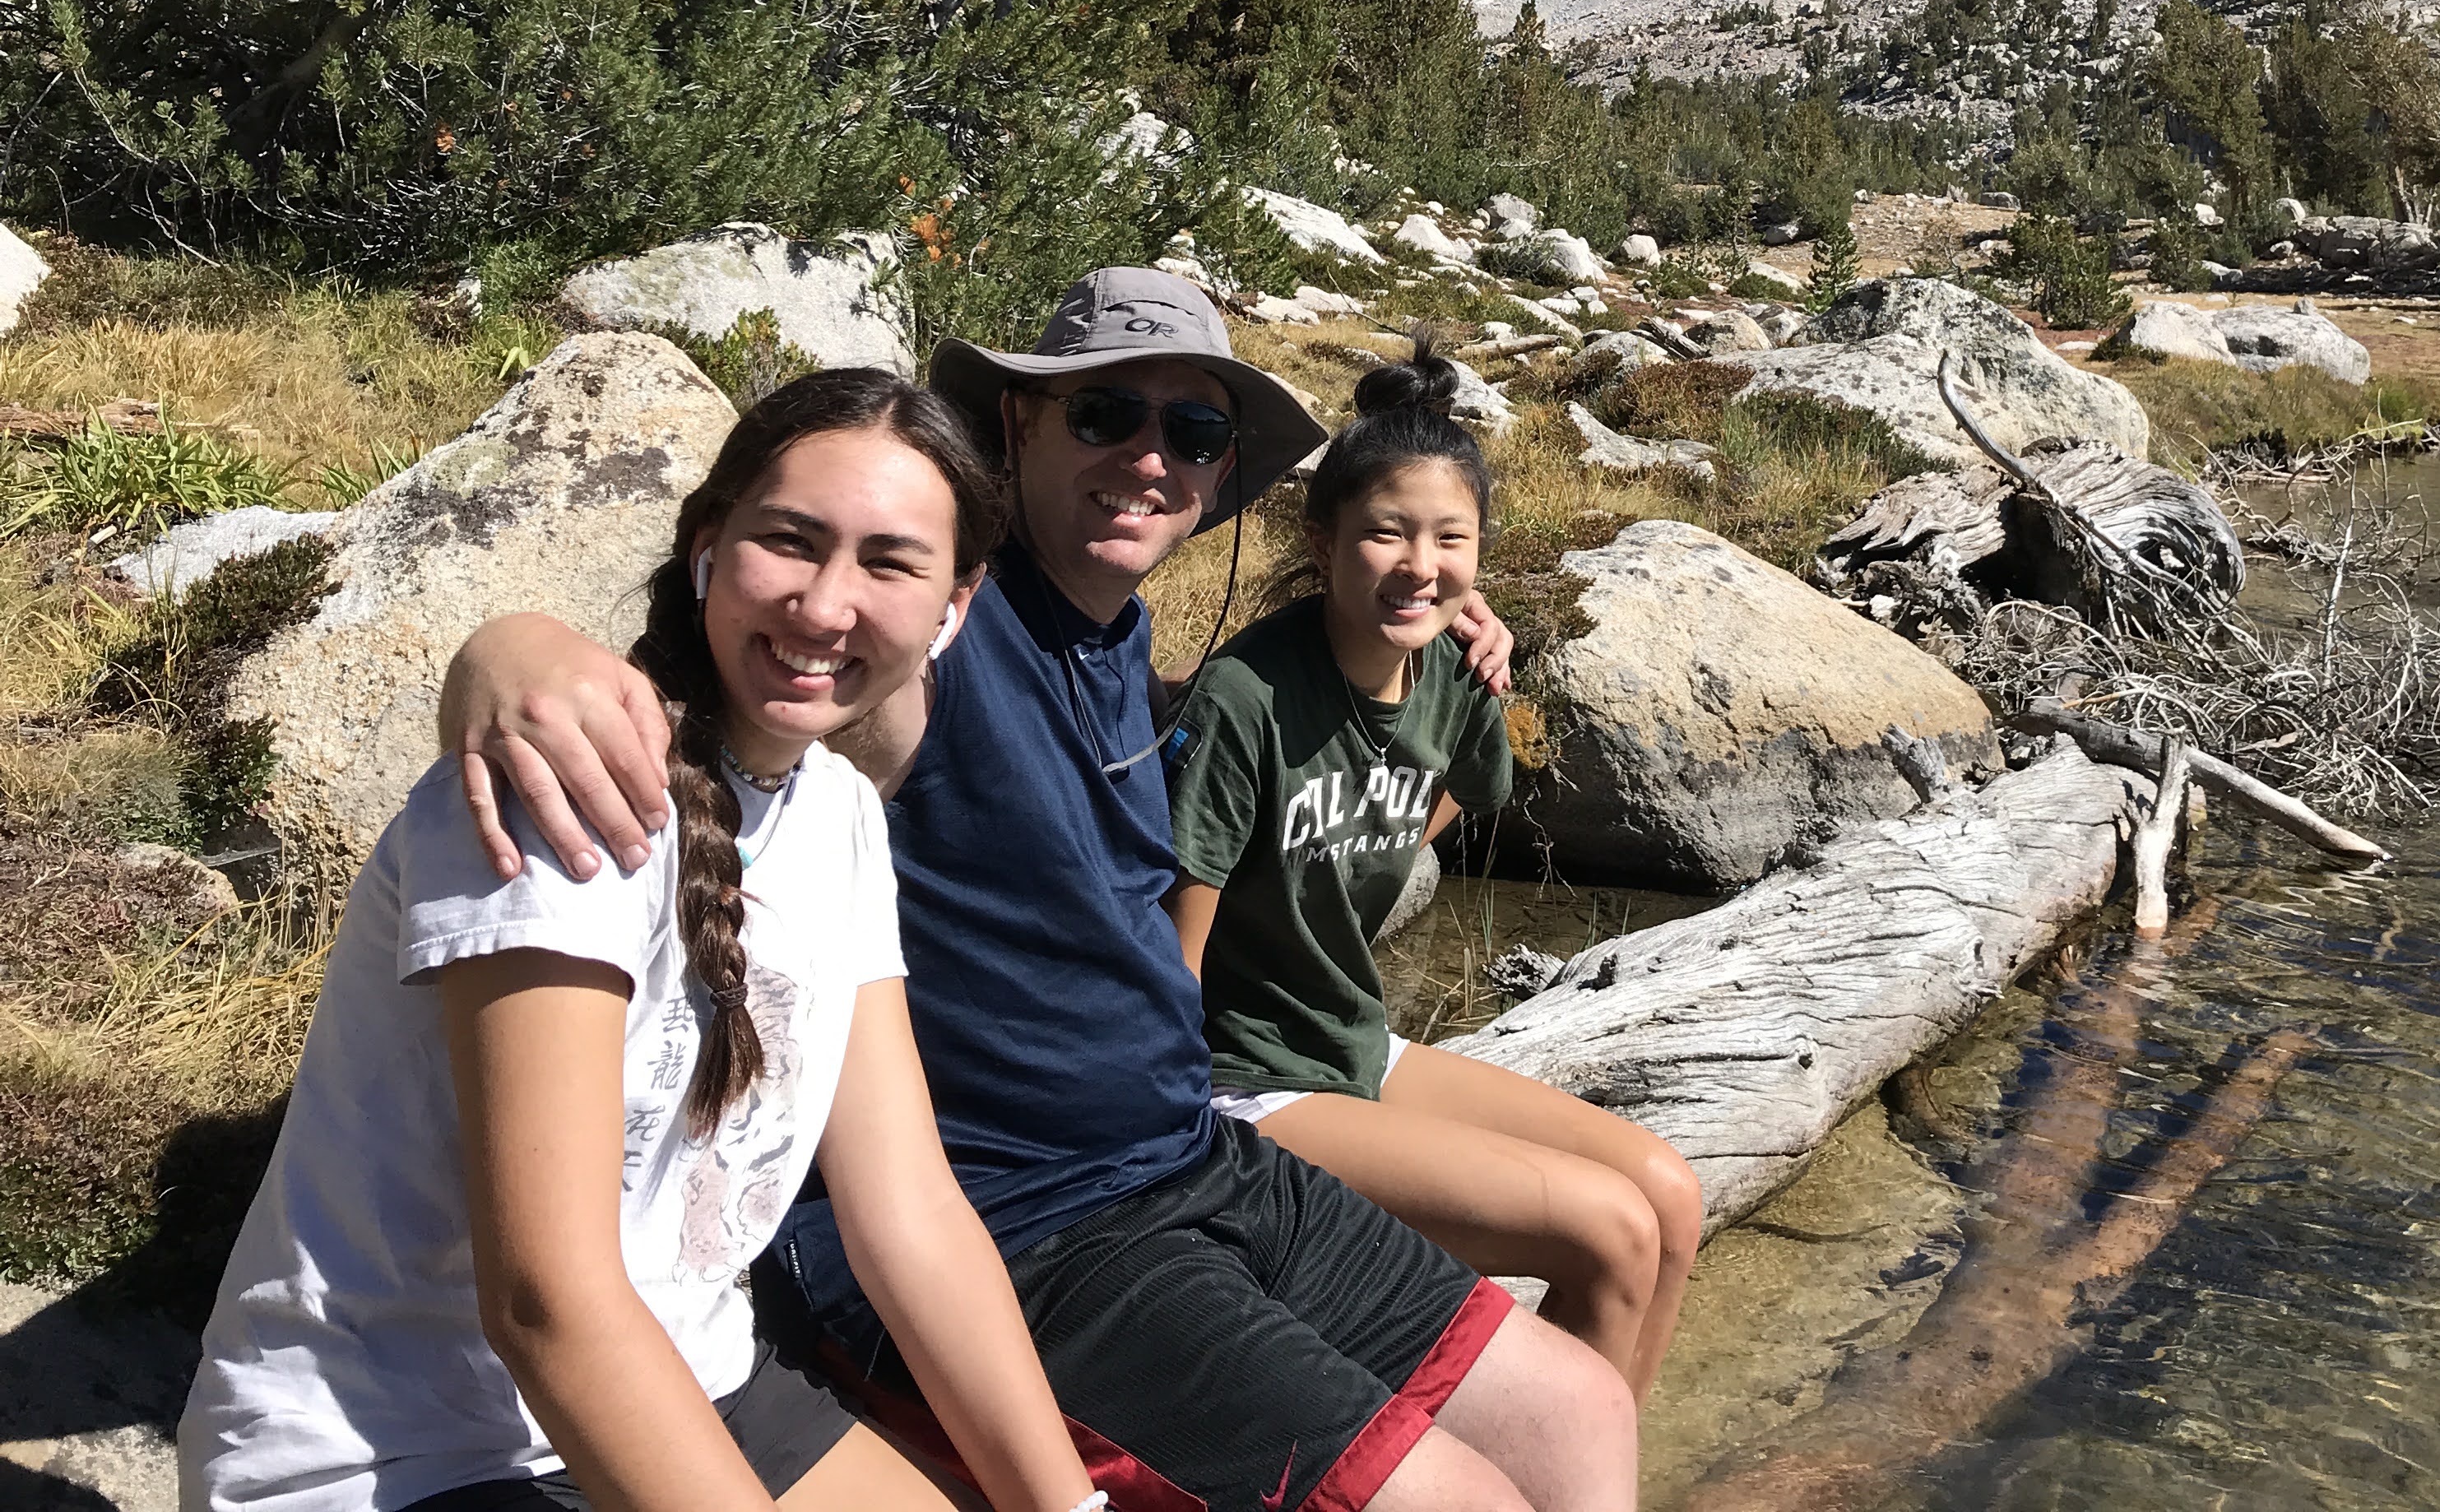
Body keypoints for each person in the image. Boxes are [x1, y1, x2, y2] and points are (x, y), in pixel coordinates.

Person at [438, 270, 1635, 1512]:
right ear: (1018, 424)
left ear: (1221, 474)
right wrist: (514, 650)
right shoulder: (946, 619)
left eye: (1194, 430)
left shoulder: (1123, 638)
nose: (1150, 458)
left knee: (1580, 1409)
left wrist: (1435, 614)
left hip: (1192, 1155)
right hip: (1030, 1221)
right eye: (1106, 413)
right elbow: (795, 660)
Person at [183, 370, 1102, 1512]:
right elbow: (546, 1306)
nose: (825, 606)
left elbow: (909, 1212)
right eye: (790, 540)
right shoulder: (566, 789)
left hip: (695, 1380)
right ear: (709, 547)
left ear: (953, 611)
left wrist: (1073, 1508)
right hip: (403, 1453)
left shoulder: (840, 815)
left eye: (889, 563)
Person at [1162, 342, 1702, 1403]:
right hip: (1242, 1079)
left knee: (1668, 1196)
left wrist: (1387, 809)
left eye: (1450, 538)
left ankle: (1597, 1466)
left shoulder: (1454, 671)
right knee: (1605, 1233)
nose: (1420, 563)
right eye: (1386, 531)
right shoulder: (1245, 699)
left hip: (1352, 1040)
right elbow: (1173, 958)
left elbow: (1439, 806)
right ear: (1322, 541)